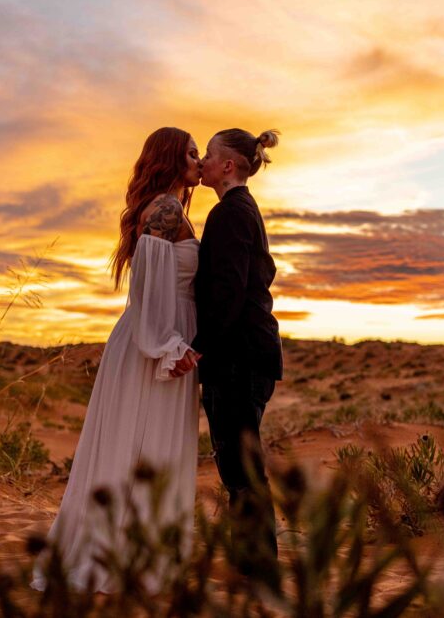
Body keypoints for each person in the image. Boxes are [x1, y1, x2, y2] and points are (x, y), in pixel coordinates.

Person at [30, 127, 202, 593]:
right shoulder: (165, 210)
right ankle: (119, 560)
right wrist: (168, 348)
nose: (198, 158)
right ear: (170, 157)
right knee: (139, 448)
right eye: (190, 152)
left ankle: (135, 554)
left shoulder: (171, 209)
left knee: (150, 450)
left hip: (165, 343)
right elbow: (147, 293)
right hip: (155, 348)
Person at [191, 128, 283, 577]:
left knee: (241, 472)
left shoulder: (229, 213)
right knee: (242, 470)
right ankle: (255, 566)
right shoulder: (241, 210)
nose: (203, 162)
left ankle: (258, 572)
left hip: (237, 359)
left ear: (228, 166)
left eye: (208, 156)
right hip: (248, 356)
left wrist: (199, 348)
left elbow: (226, 292)